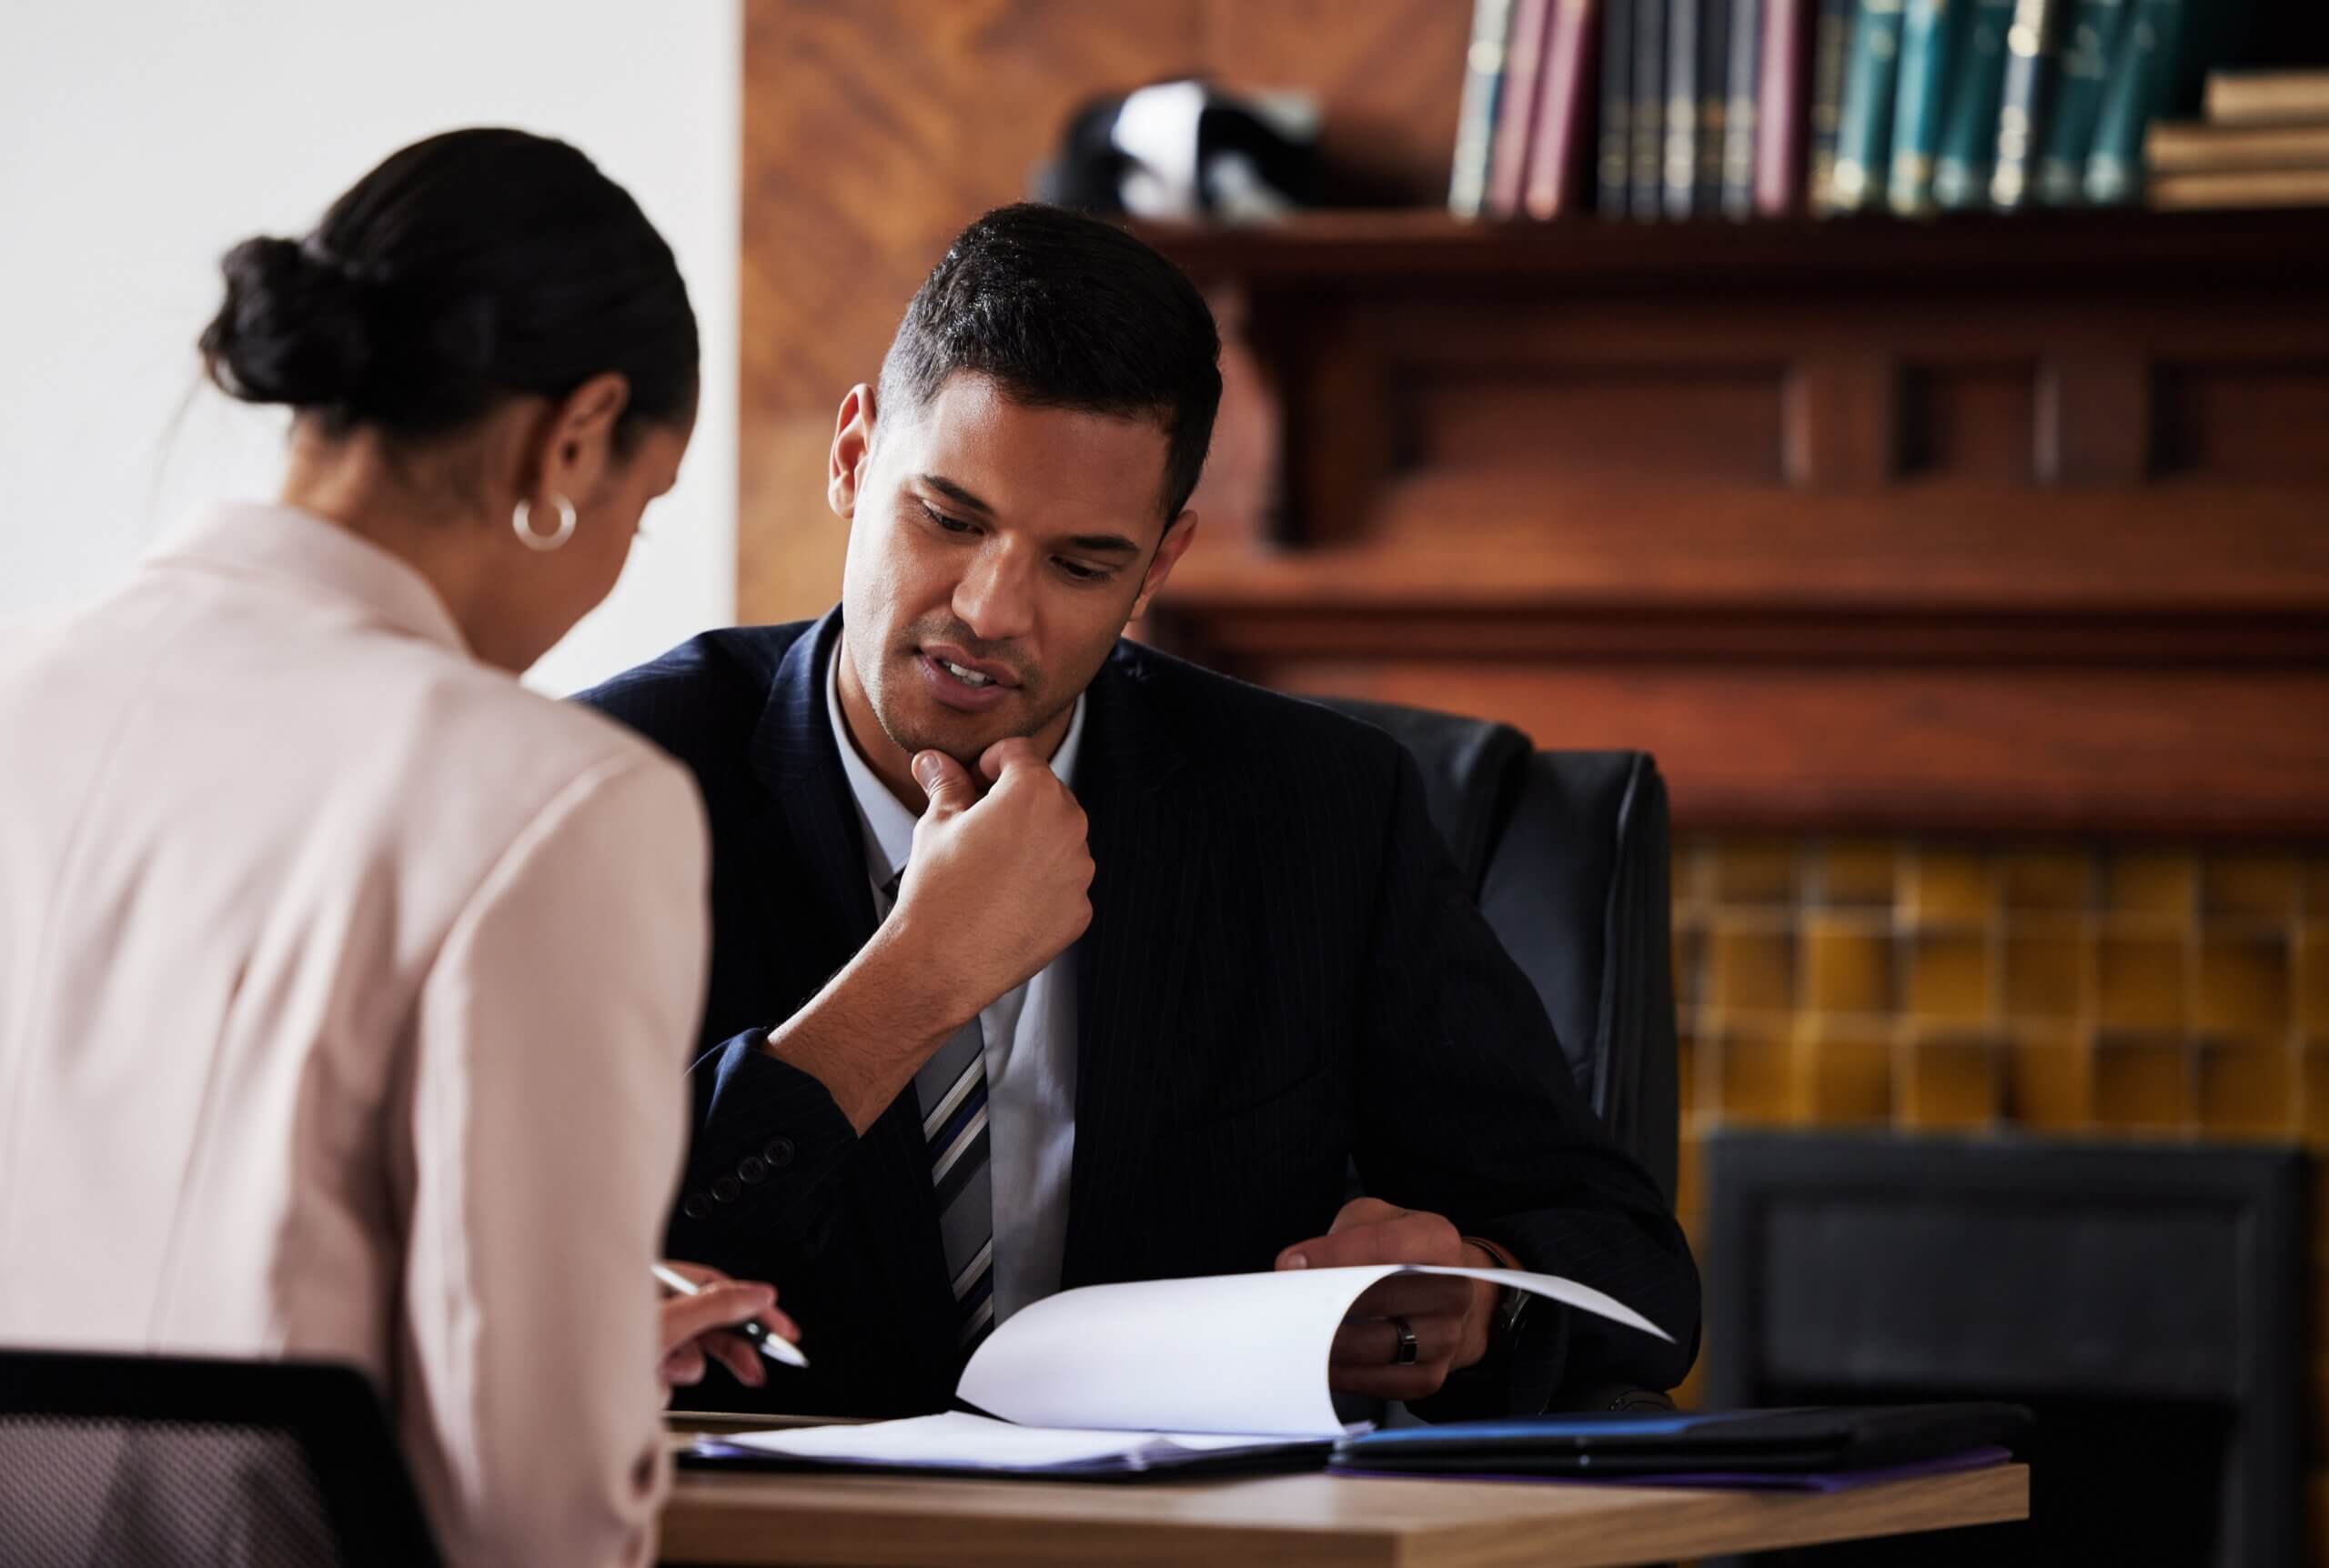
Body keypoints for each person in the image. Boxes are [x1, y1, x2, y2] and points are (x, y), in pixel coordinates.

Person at [579, 204, 1701, 1422]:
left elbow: (1631, 1262)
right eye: (947, 519)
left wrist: (1480, 1290)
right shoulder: (605, 786)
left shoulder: (1321, 812)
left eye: (1080, 564)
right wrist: (916, 978)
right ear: (854, 459)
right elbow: (550, 1268)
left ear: (1158, 565)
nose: (993, 609)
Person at [0, 130, 782, 1568]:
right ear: (574, 437)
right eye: (641, 505)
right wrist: (583, 1376)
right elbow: (528, 1508)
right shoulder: (554, 798)